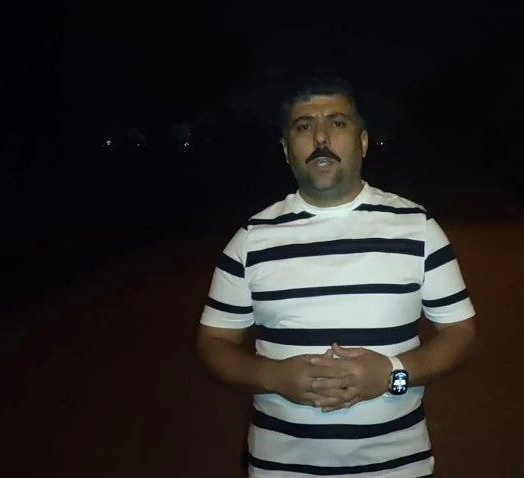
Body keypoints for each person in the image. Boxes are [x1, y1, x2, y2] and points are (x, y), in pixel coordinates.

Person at [195, 74, 477, 477]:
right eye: (303, 126)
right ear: (286, 150)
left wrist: (393, 374)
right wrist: (271, 375)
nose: (321, 137)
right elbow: (214, 342)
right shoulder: (251, 239)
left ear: (362, 142)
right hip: (281, 470)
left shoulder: (418, 228)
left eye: (337, 122)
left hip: (396, 469)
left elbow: (461, 334)